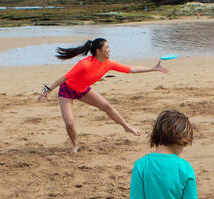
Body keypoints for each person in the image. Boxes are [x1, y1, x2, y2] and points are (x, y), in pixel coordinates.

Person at [38, 38, 168, 152]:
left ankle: (127, 127)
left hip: (83, 90)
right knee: (70, 123)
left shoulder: (108, 64)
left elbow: (131, 69)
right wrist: (47, 91)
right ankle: (75, 144)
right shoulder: (84, 64)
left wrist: (153, 68)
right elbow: (64, 78)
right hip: (67, 91)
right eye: (107, 48)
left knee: (107, 106)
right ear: (98, 51)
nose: (109, 50)